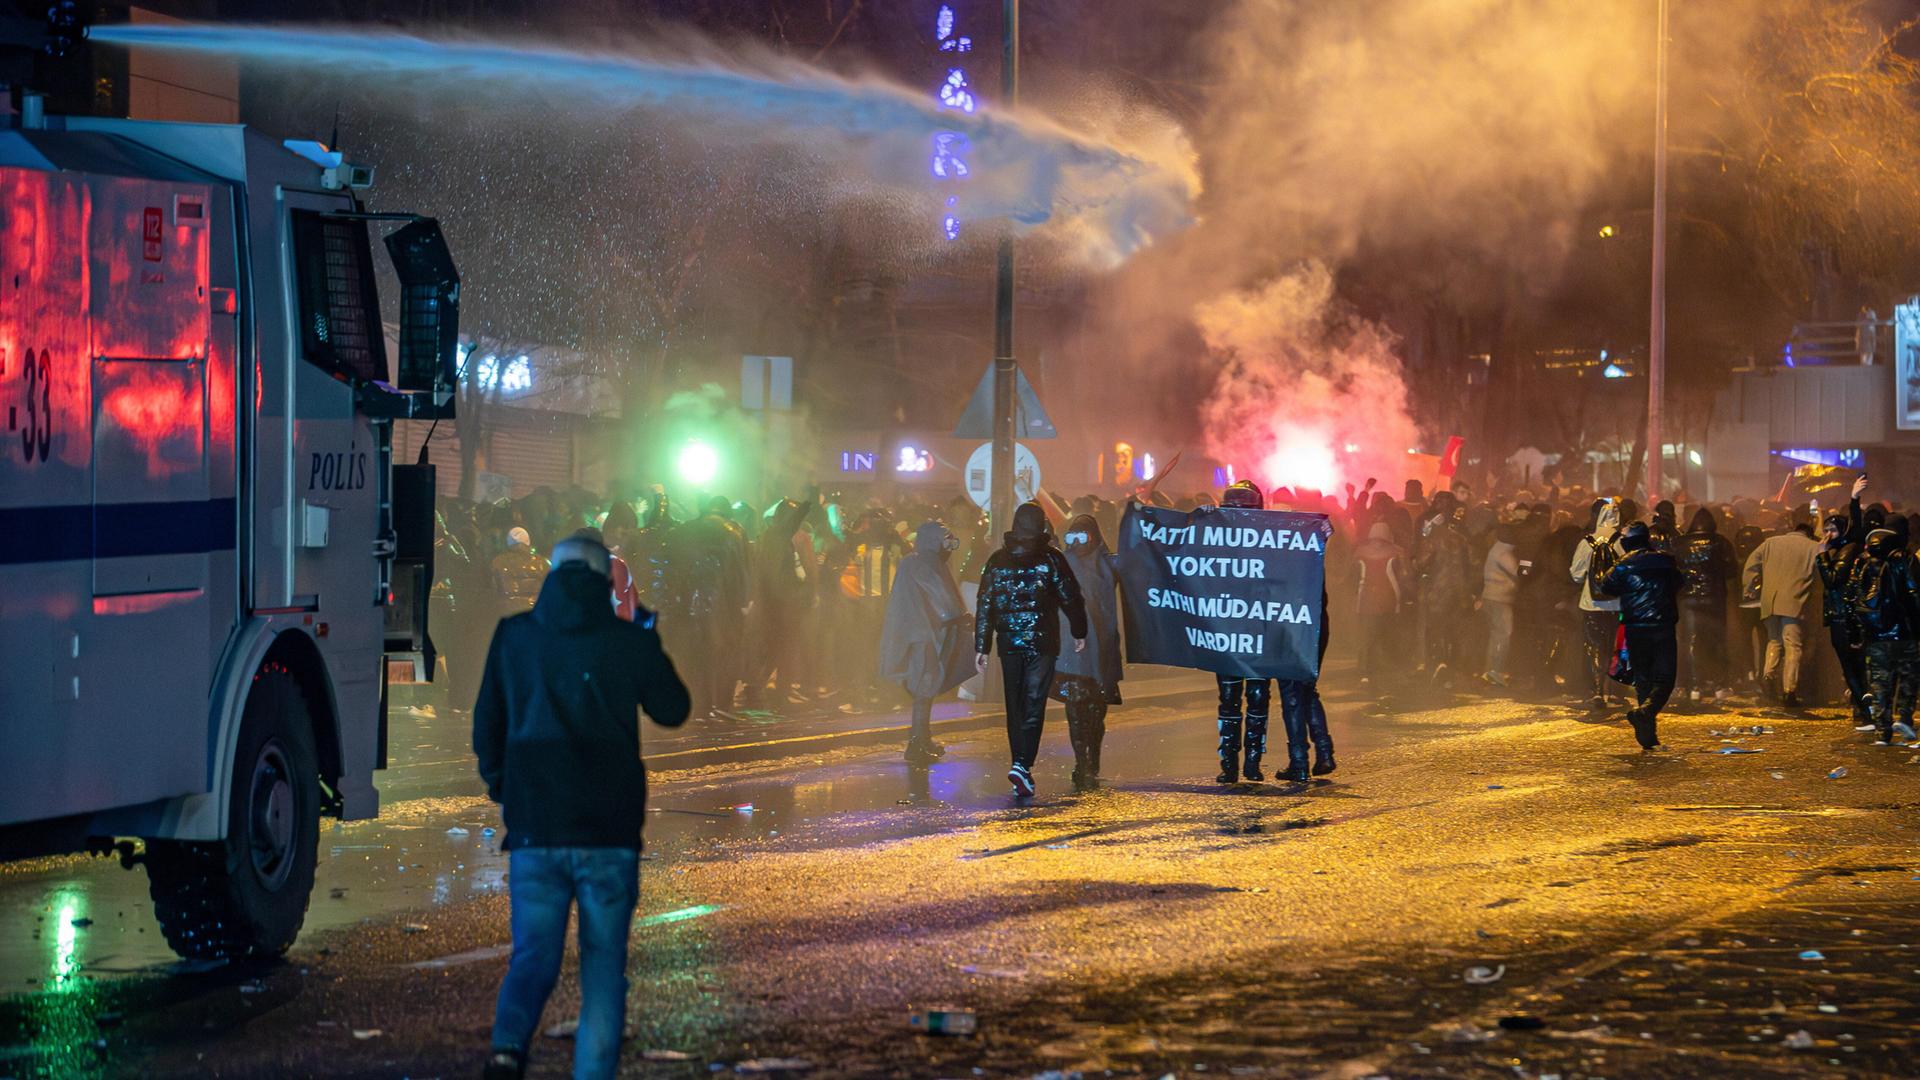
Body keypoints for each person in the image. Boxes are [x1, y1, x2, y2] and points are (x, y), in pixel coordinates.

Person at [473, 533, 692, 1080]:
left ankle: (506, 1050)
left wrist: (507, 789)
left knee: (533, 957)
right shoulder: (626, 640)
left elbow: (486, 727)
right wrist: (648, 638)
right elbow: (673, 708)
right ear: (602, 580)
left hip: (535, 828)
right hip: (607, 831)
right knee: (602, 969)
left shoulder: (514, 636)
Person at [975, 502, 1088, 798]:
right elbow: (1071, 597)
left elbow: (985, 603)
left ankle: (1018, 762)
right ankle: (1023, 765)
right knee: (1034, 703)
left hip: (1009, 643)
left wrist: (982, 646)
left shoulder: (997, 560)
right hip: (1042, 641)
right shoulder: (1052, 559)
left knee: (1015, 704)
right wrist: (1080, 631)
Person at [878, 521, 971, 763]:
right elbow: (944, 599)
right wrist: (959, 617)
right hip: (924, 634)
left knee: (924, 688)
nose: (949, 547)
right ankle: (917, 742)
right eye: (946, 541)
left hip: (917, 631)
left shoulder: (913, 560)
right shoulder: (926, 563)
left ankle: (921, 738)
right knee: (924, 688)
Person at [1052, 513, 1124, 790]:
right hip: (1072, 653)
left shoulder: (1108, 564)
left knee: (1096, 713)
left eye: (1082, 536)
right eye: (1071, 537)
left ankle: (1092, 758)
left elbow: (1139, 561)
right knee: (1075, 711)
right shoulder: (1061, 563)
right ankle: (1081, 761)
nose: (1076, 543)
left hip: (1102, 651)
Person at [1598, 522, 1682, 751]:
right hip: (1663, 624)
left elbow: (1605, 586)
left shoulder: (1623, 565)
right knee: (1665, 679)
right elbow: (1679, 582)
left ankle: (1647, 731)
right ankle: (1646, 719)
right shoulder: (1665, 560)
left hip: (1635, 627)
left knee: (1643, 679)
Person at [1210, 481, 1275, 782]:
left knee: (1253, 696)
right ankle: (1232, 764)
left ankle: (1248, 762)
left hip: (1255, 631)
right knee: (1232, 697)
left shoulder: (1273, 540)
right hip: (1231, 632)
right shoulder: (1212, 541)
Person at [1851, 524, 1920, 744]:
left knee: (1880, 683)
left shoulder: (1862, 564)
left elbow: (1852, 598)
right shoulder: (1902, 562)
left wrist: (1856, 632)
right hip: (1904, 632)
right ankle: (1906, 717)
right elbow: (1913, 594)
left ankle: (1883, 729)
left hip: (1875, 634)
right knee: (1908, 678)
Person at [1742, 515, 1820, 706]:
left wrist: (1749, 587)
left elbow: (1751, 564)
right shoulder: (1813, 547)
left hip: (1770, 601)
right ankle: (1789, 692)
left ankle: (1768, 678)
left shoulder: (1770, 543)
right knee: (1793, 646)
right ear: (1808, 534)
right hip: (1794, 602)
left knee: (1774, 641)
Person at [1817, 506, 1873, 727]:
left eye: (1832, 530)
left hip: (1843, 617)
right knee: (1855, 666)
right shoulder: (1848, 549)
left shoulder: (1846, 551)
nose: (1828, 534)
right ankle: (1862, 708)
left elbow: (1832, 580)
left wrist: (1821, 554)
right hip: (1848, 616)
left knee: (1850, 667)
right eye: (1826, 529)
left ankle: (1865, 710)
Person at [1675, 507, 1736, 703]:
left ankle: (1694, 685)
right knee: (1717, 639)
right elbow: (1731, 569)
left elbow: (1674, 569)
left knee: (1691, 641)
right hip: (1714, 596)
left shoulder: (1681, 543)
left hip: (1688, 598)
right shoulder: (1721, 542)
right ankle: (1719, 684)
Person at [1569, 499, 1624, 711]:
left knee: (1593, 647)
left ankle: (1596, 691)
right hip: (1615, 604)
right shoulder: (1622, 542)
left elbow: (1575, 574)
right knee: (1613, 647)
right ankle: (1613, 690)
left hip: (1590, 603)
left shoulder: (1587, 541)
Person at [1352, 521, 1405, 686]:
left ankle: (1365, 670)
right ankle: (1383, 668)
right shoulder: (1396, 553)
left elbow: (1352, 577)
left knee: (1367, 636)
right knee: (1386, 635)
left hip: (1365, 600)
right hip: (1388, 599)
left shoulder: (1359, 552)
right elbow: (1403, 576)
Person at [1479, 522, 1520, 686]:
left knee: (1496, 635)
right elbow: (1517, 572)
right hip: (1500, 599)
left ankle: (1489, 671)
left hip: (1491, 597)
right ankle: (1495, 671)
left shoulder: (1496, 548)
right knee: (1503, 635)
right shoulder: (1504, 552)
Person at [492, 526, 548, 615]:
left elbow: (494, 590)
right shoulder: (543, 563)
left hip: (510, 613)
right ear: (528, 541)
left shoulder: (498, 562)